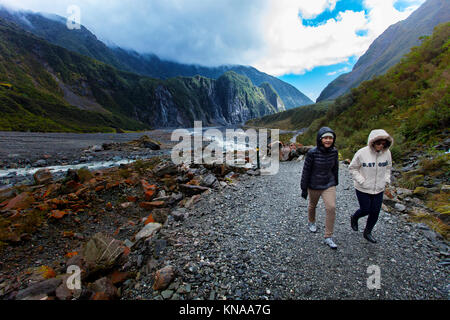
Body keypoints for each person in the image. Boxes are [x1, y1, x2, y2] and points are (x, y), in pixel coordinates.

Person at [348, 129, 393, 243]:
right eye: (378, 143)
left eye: (384, 144)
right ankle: (355, 217)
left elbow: (388, 167)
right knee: (365, 209)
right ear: (373, 142)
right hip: (363, 188)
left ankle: (368, 232)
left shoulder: (387, 153)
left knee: (375, 211)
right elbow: (352, 168)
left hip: (379, 188)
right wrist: (361, 180)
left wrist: (386, 179)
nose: (381, 146)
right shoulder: (362, 153)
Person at [300, 127, 339, 249]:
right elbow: (306, 171)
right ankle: (311, 222)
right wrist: (304, 188)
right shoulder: (312, 153)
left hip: (328, 184)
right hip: (314, 184)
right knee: (312, 205)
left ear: (333, 139)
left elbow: (335, 168)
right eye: (325, 138)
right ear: (320, 139)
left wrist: (335, 182)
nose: (328, 140)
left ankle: (328, 236)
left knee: (331, 207)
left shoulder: (334, 152)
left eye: (330, 138)